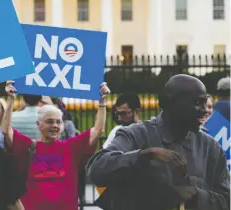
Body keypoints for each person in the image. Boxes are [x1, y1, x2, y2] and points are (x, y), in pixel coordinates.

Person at [87, 74, 230, 210]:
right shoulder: (136, 135)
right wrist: (144, 155)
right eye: (197, 103)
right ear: (171, 104)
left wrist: (195, 194)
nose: (205, 111)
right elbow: (97, 169)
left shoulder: (210, 147)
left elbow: (227, 200)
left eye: (205, 103)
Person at [2, 80, 110, 210]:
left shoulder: (70, 147)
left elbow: (98, 129)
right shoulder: (28, 147)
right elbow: (6, 130)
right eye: (49, 122)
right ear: (38, 124)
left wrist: (102, 102)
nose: (54, 125)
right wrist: (10, 98)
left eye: (58, 122)